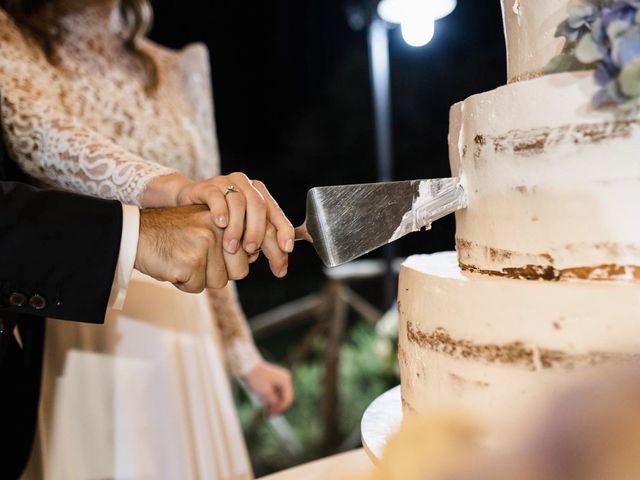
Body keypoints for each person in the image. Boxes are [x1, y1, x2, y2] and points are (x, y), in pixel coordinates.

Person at [0, 1, 296, 478]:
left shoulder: (181, 68)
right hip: (86, 319)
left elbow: (217, 224)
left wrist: (246, 357)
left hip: (188, 321)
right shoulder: (11, 38)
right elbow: (43, 139)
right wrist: (176, 189)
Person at [0, 180, 264, 479]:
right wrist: (137, 231)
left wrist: (244, 353)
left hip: (188, 299)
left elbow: (210, 201)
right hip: (96, 292)